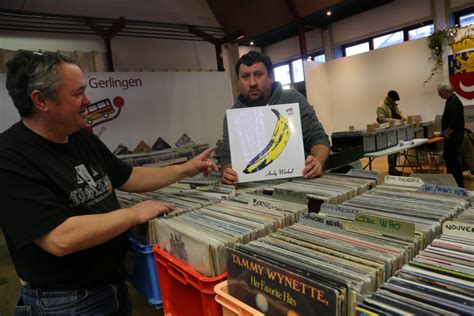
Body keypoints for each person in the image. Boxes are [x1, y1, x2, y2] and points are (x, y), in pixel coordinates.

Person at [0, 50, 217, 315]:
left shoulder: (80, 137)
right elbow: (59, 238)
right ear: (41, 100)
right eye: (77, 93)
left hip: (112, 285)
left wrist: (186, 169)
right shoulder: (9, 156)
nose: (88, 100)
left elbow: (129, 176)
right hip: (65, 303)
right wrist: (134, 213)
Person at [218, 51, 330, 184]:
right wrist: (227, 171)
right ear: (238, 82)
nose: (252, 82)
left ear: (270, 77)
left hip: (299, 182)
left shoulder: (293, 99)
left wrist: (317, 161)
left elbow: (318, 138)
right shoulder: (233, 115)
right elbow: (227, 156)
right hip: (251, 187)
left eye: (258, 75)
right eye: (245, 76)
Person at [437, 82, 465, 187]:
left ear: (446, 91)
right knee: (449, 159)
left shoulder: (454, 102)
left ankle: (457, 185)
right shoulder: (451, 101)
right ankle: (452, 183)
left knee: (453, 162)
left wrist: (446, 132)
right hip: (451, 136)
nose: (439, 94)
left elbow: (455, 121)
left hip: (453, 137)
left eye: (440, 92)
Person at [376, 90, 405, 176]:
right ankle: (391, 169)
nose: (395, 101)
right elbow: (381, 119)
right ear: (389, 98)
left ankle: (393, 168)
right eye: (394, 100)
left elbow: (400, 113)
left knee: (395, 150)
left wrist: (404, 118)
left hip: (395, 130)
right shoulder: (381, 107)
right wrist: (396, 120)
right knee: (391, 151)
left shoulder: (393, 105)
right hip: (388, 132)